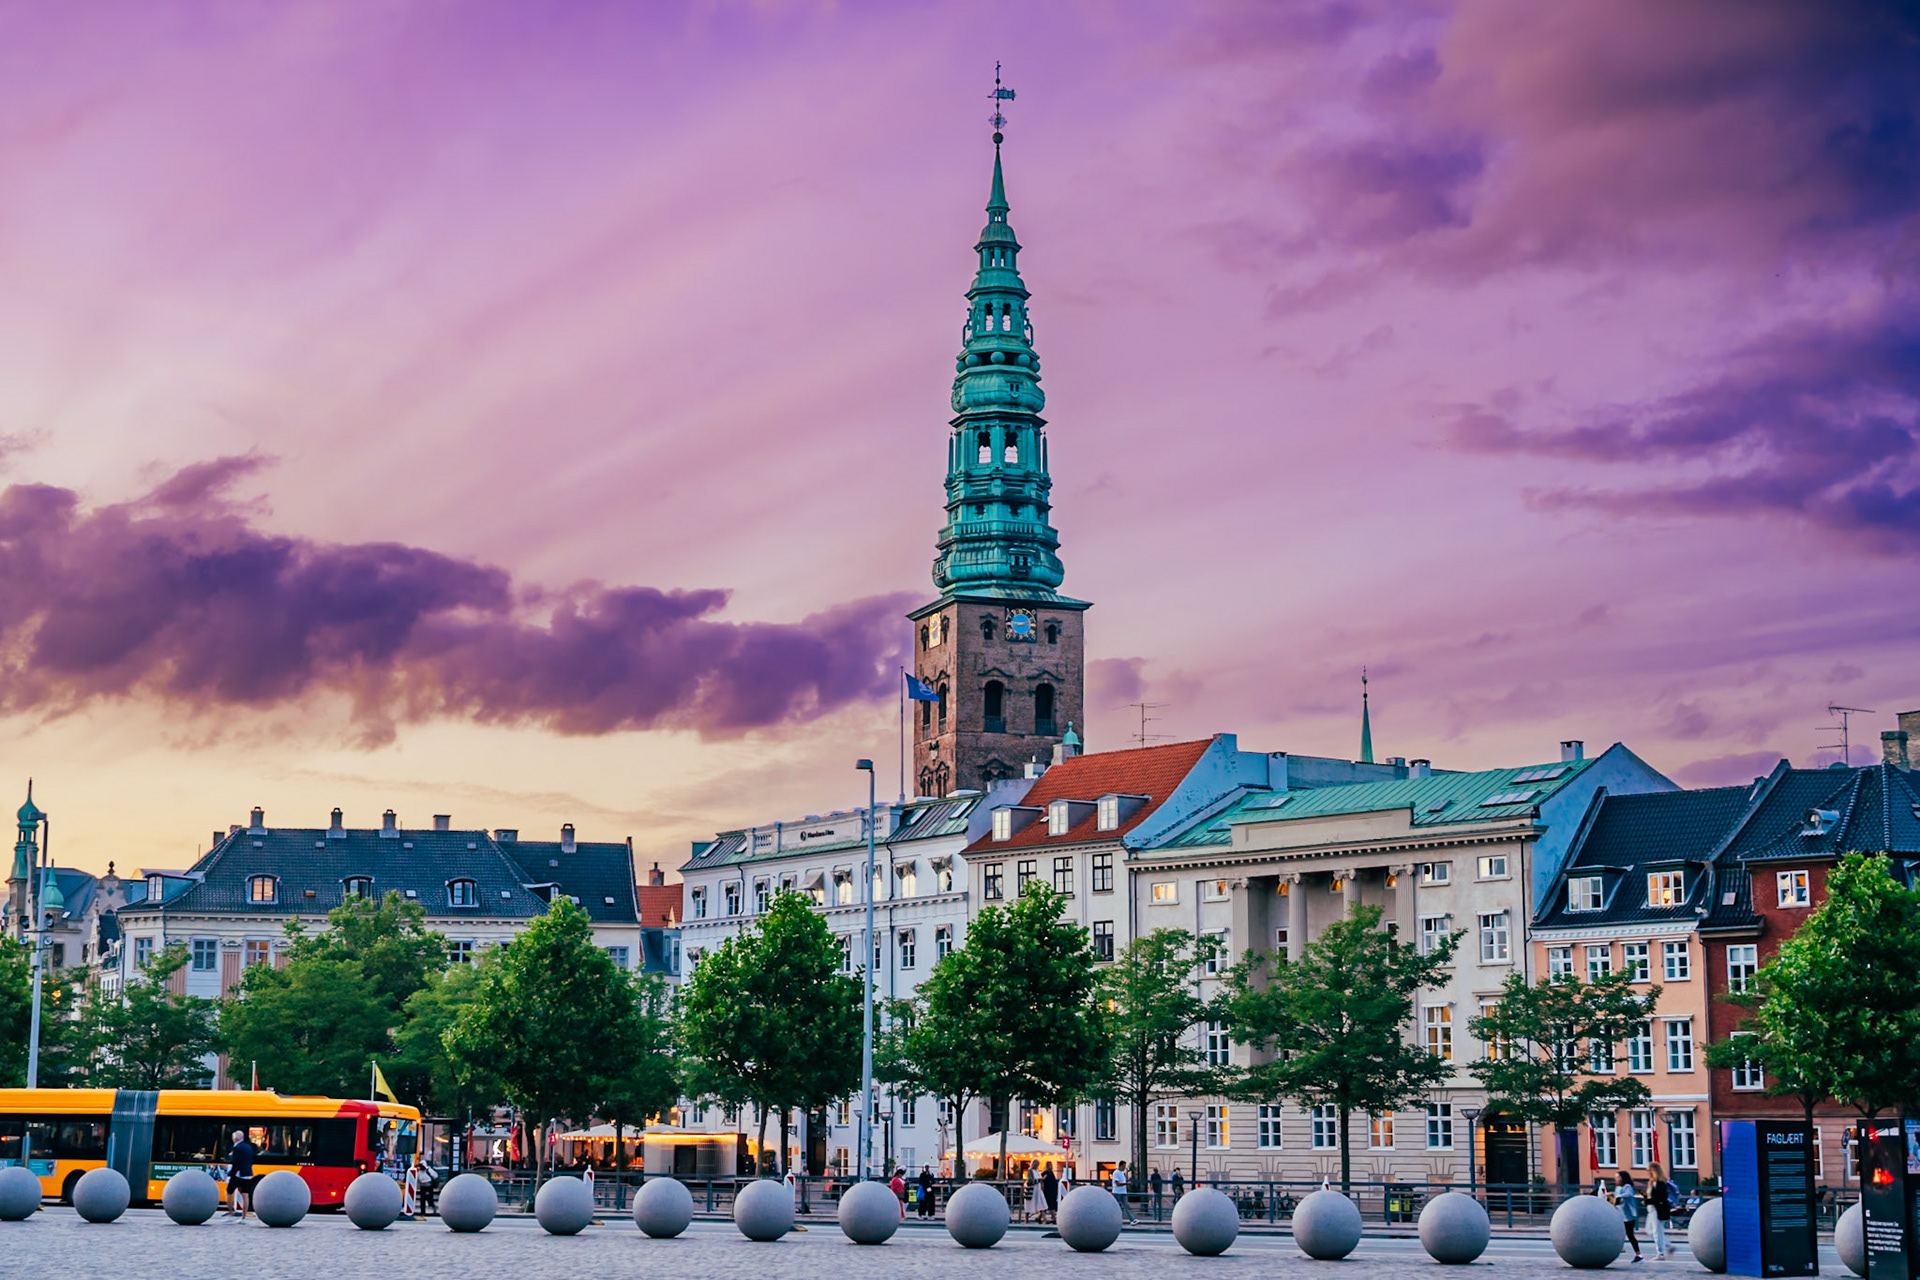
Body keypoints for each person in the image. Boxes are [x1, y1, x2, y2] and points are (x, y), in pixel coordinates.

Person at [225, 1129, 258, 1220]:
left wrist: (231, 1173)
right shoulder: (248, 1147)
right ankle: (244, 1215)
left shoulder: (236, 1148)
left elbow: (236, 1163)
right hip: (247, 1174)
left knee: (229, 1191)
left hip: (238, 1174)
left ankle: (231, 1213)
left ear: (235, 1138)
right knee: (245, 1194)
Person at [1613, 1171, 1645, 1262]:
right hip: (1620, 1215)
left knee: (1630, 1235)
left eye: (1618, 1177)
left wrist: (1620, 1197)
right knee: (1619, 1232)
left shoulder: (1627, 1186)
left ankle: (1638, 1254)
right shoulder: (1618, 1188)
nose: (1616, 1179)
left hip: (1628, 1215)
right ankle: (1620, 1248)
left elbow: (1629, 1195)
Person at [1647, 1164, 1672, 1260]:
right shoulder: (1653, 1182)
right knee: (1652, 1230)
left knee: (1656, 1231)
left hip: (1657, 1209)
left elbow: (1660, 1198)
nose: (1648, 1172)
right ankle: (1667, 1245)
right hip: (1652, 1209)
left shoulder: (1659, 1183)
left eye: (1649, 1170)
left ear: (1653, 1171)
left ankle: (1660, 1253)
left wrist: (1647, 1201)